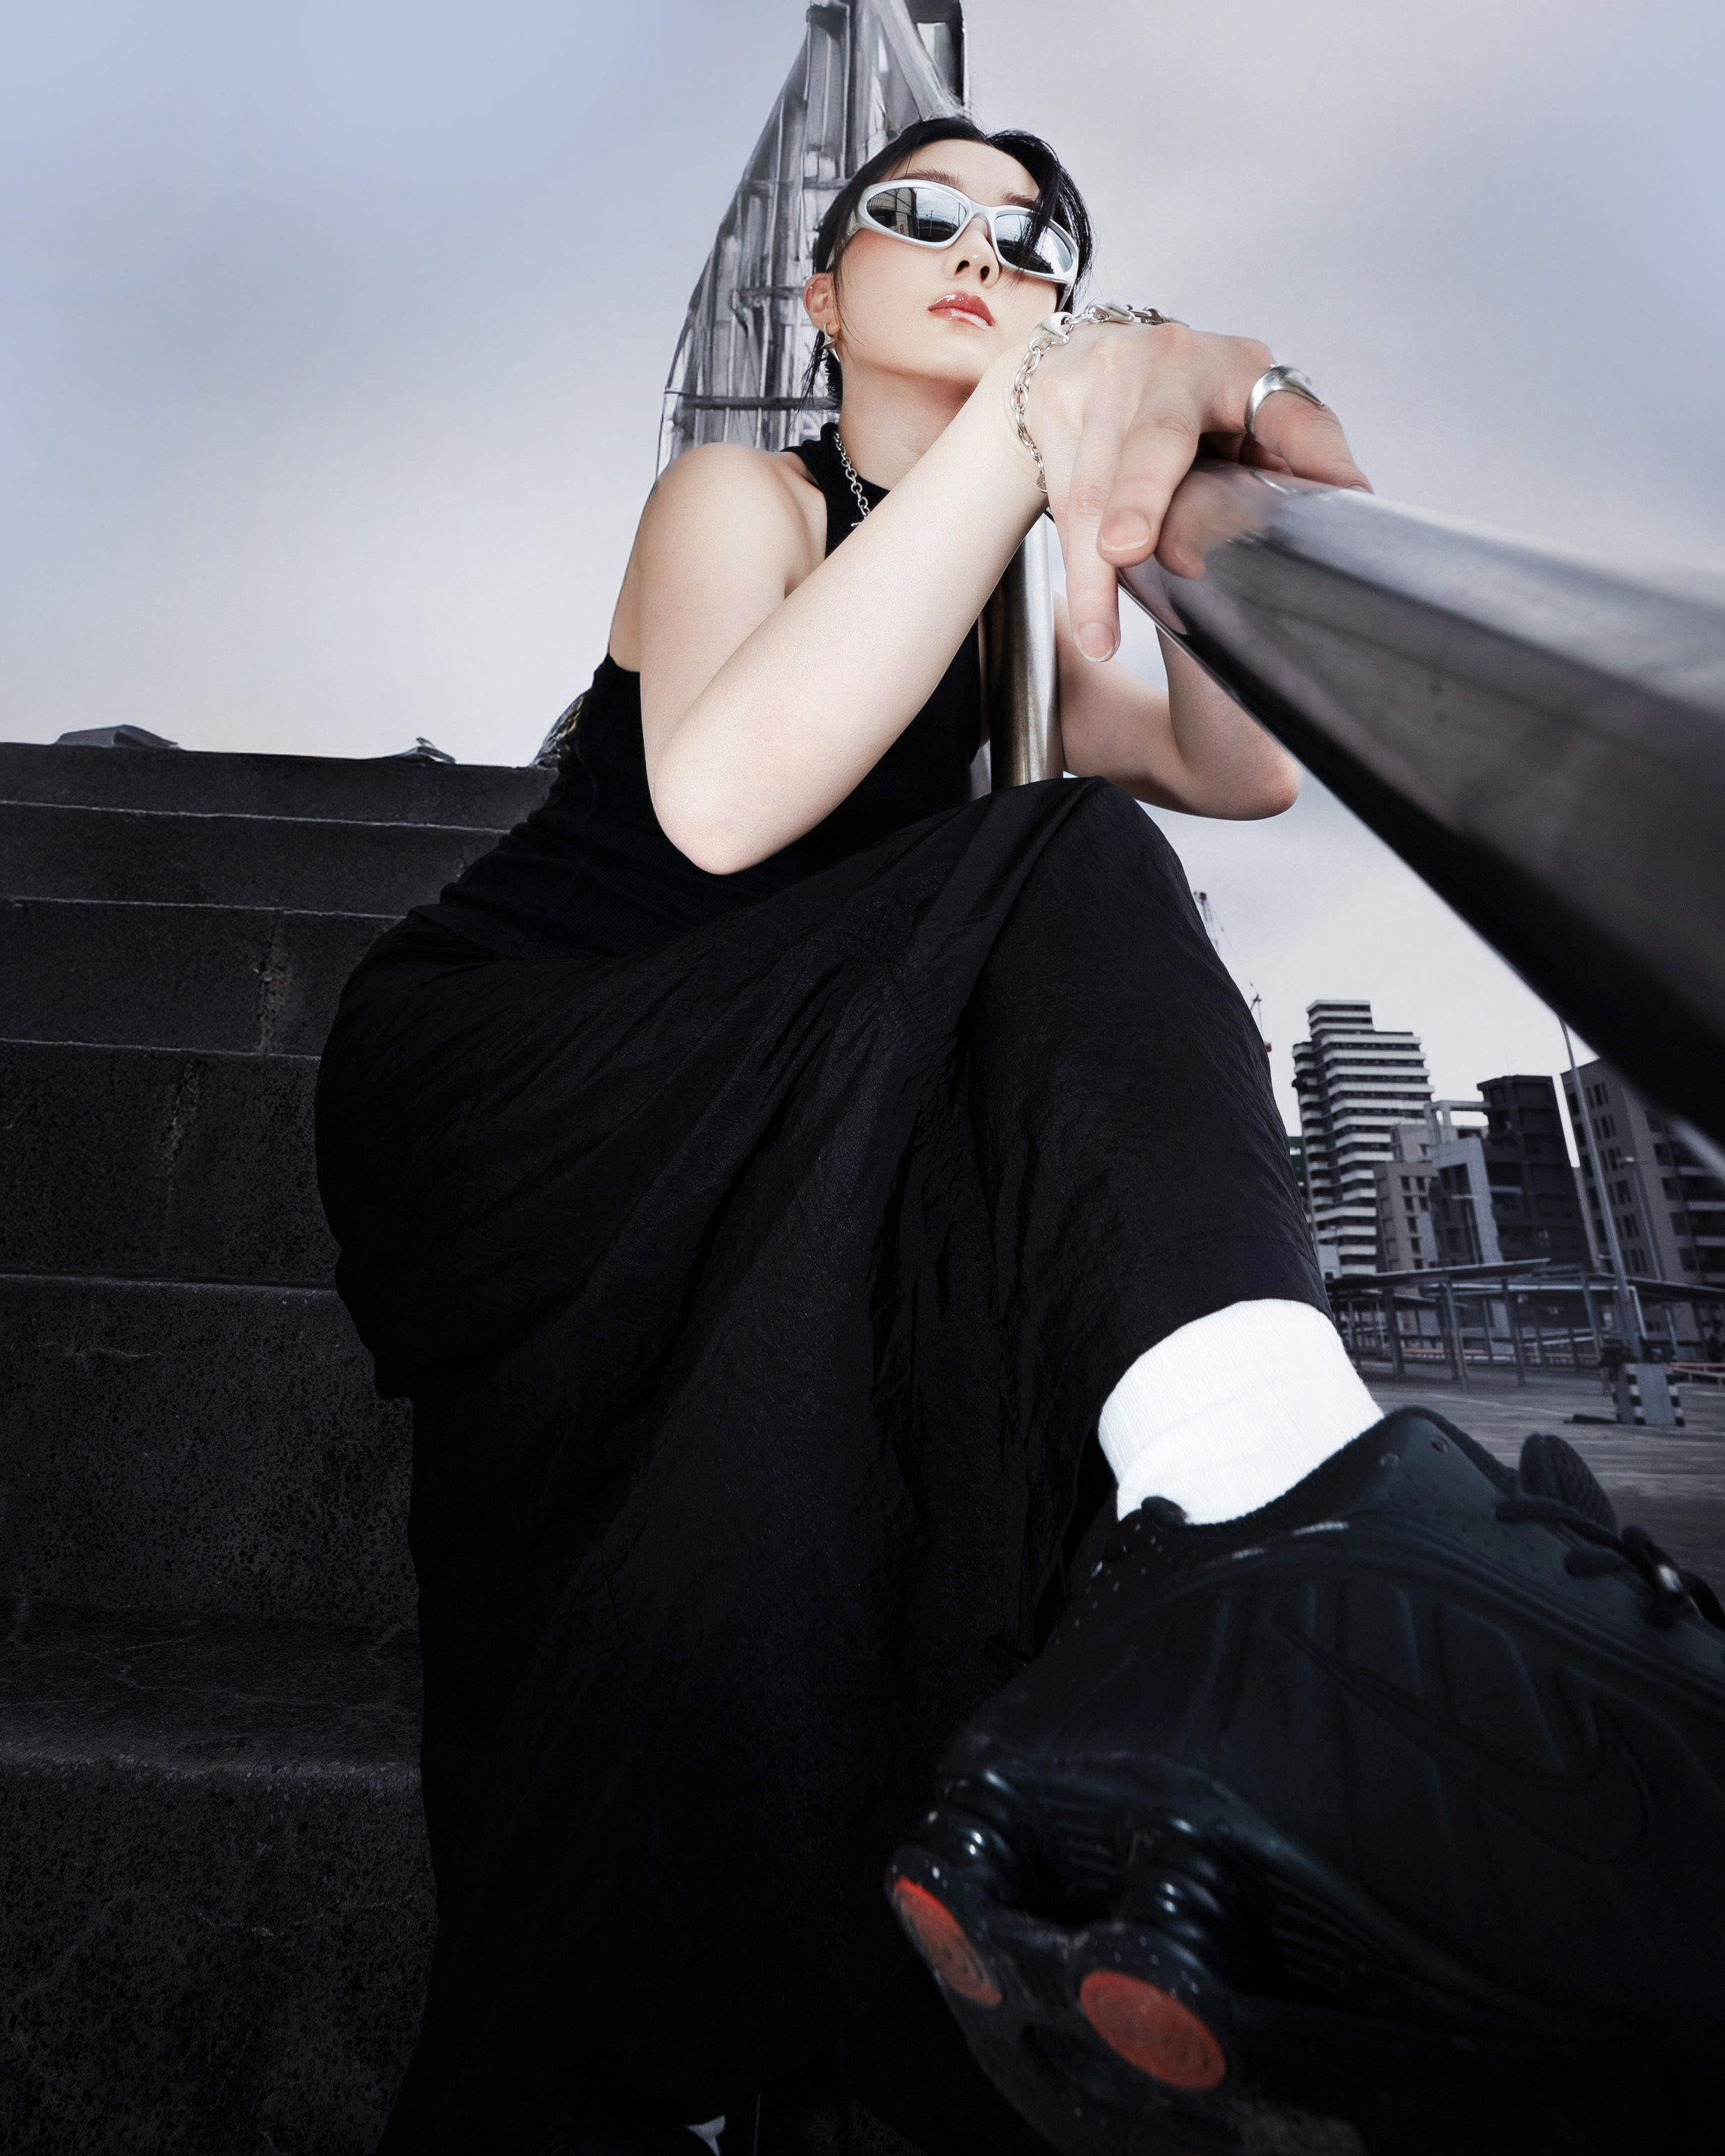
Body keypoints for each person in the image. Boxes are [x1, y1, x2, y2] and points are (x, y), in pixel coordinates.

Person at [315, 117, 1725, 2156]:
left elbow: (1239, 771)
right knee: (1055, 853)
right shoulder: (740, 496)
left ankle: (1202, 1624)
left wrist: (1202, 485)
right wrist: (1052, 407)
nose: (982, 249)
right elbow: (717, 805)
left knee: (1044, 969)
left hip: (791, 1097)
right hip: (542, 1066)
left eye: (1030, 237)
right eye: (919, 217)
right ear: (821, 297)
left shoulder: (1008, 613)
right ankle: (1281, 1529)